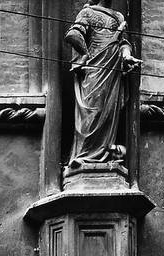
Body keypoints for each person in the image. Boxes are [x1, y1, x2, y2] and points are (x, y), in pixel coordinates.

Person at [64, 1, 141, 171]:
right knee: (93, 110)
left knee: (109, 113)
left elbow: (123, 43)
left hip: (113, 71)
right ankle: (82, 157)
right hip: (94, 69)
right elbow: (73, 34)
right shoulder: (88, 12)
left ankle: (105, 156)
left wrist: (127, 56)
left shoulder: (118, 16)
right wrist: (85, 53)